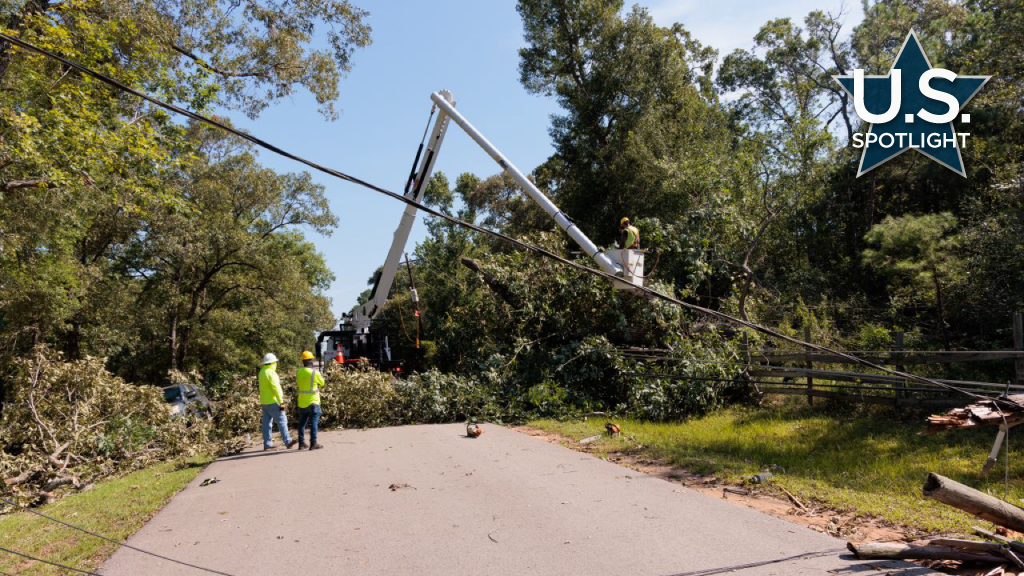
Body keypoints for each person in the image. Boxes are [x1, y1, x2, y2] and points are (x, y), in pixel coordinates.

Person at [258, 353, 296, 451]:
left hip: (264, 402)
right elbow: (276, 388)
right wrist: (281, 401)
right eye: (275, 362)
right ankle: (288, 441)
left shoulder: (262, 372)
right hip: (273, 401)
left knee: (267, 423)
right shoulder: (271, 373)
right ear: (272, 363)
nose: (276, 364)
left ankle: (267, 444)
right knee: (282, 420)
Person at [296, 350, 325, 450]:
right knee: (314, 423)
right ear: (310, 361)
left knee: (302, 423)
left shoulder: (299, 372)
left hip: (302, 401)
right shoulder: (314, 372)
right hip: (313, 401)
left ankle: (301, 443)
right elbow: (322, 383)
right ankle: (313, 443)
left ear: (303, 361)